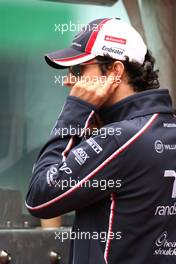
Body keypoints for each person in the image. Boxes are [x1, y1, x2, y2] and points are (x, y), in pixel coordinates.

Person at [25, 18, 176, 264]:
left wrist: (73, 113)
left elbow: (39, 196)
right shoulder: (157, 127)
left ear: (115, 72)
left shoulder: (120, 139)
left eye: (78, 70)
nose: (68, 80)